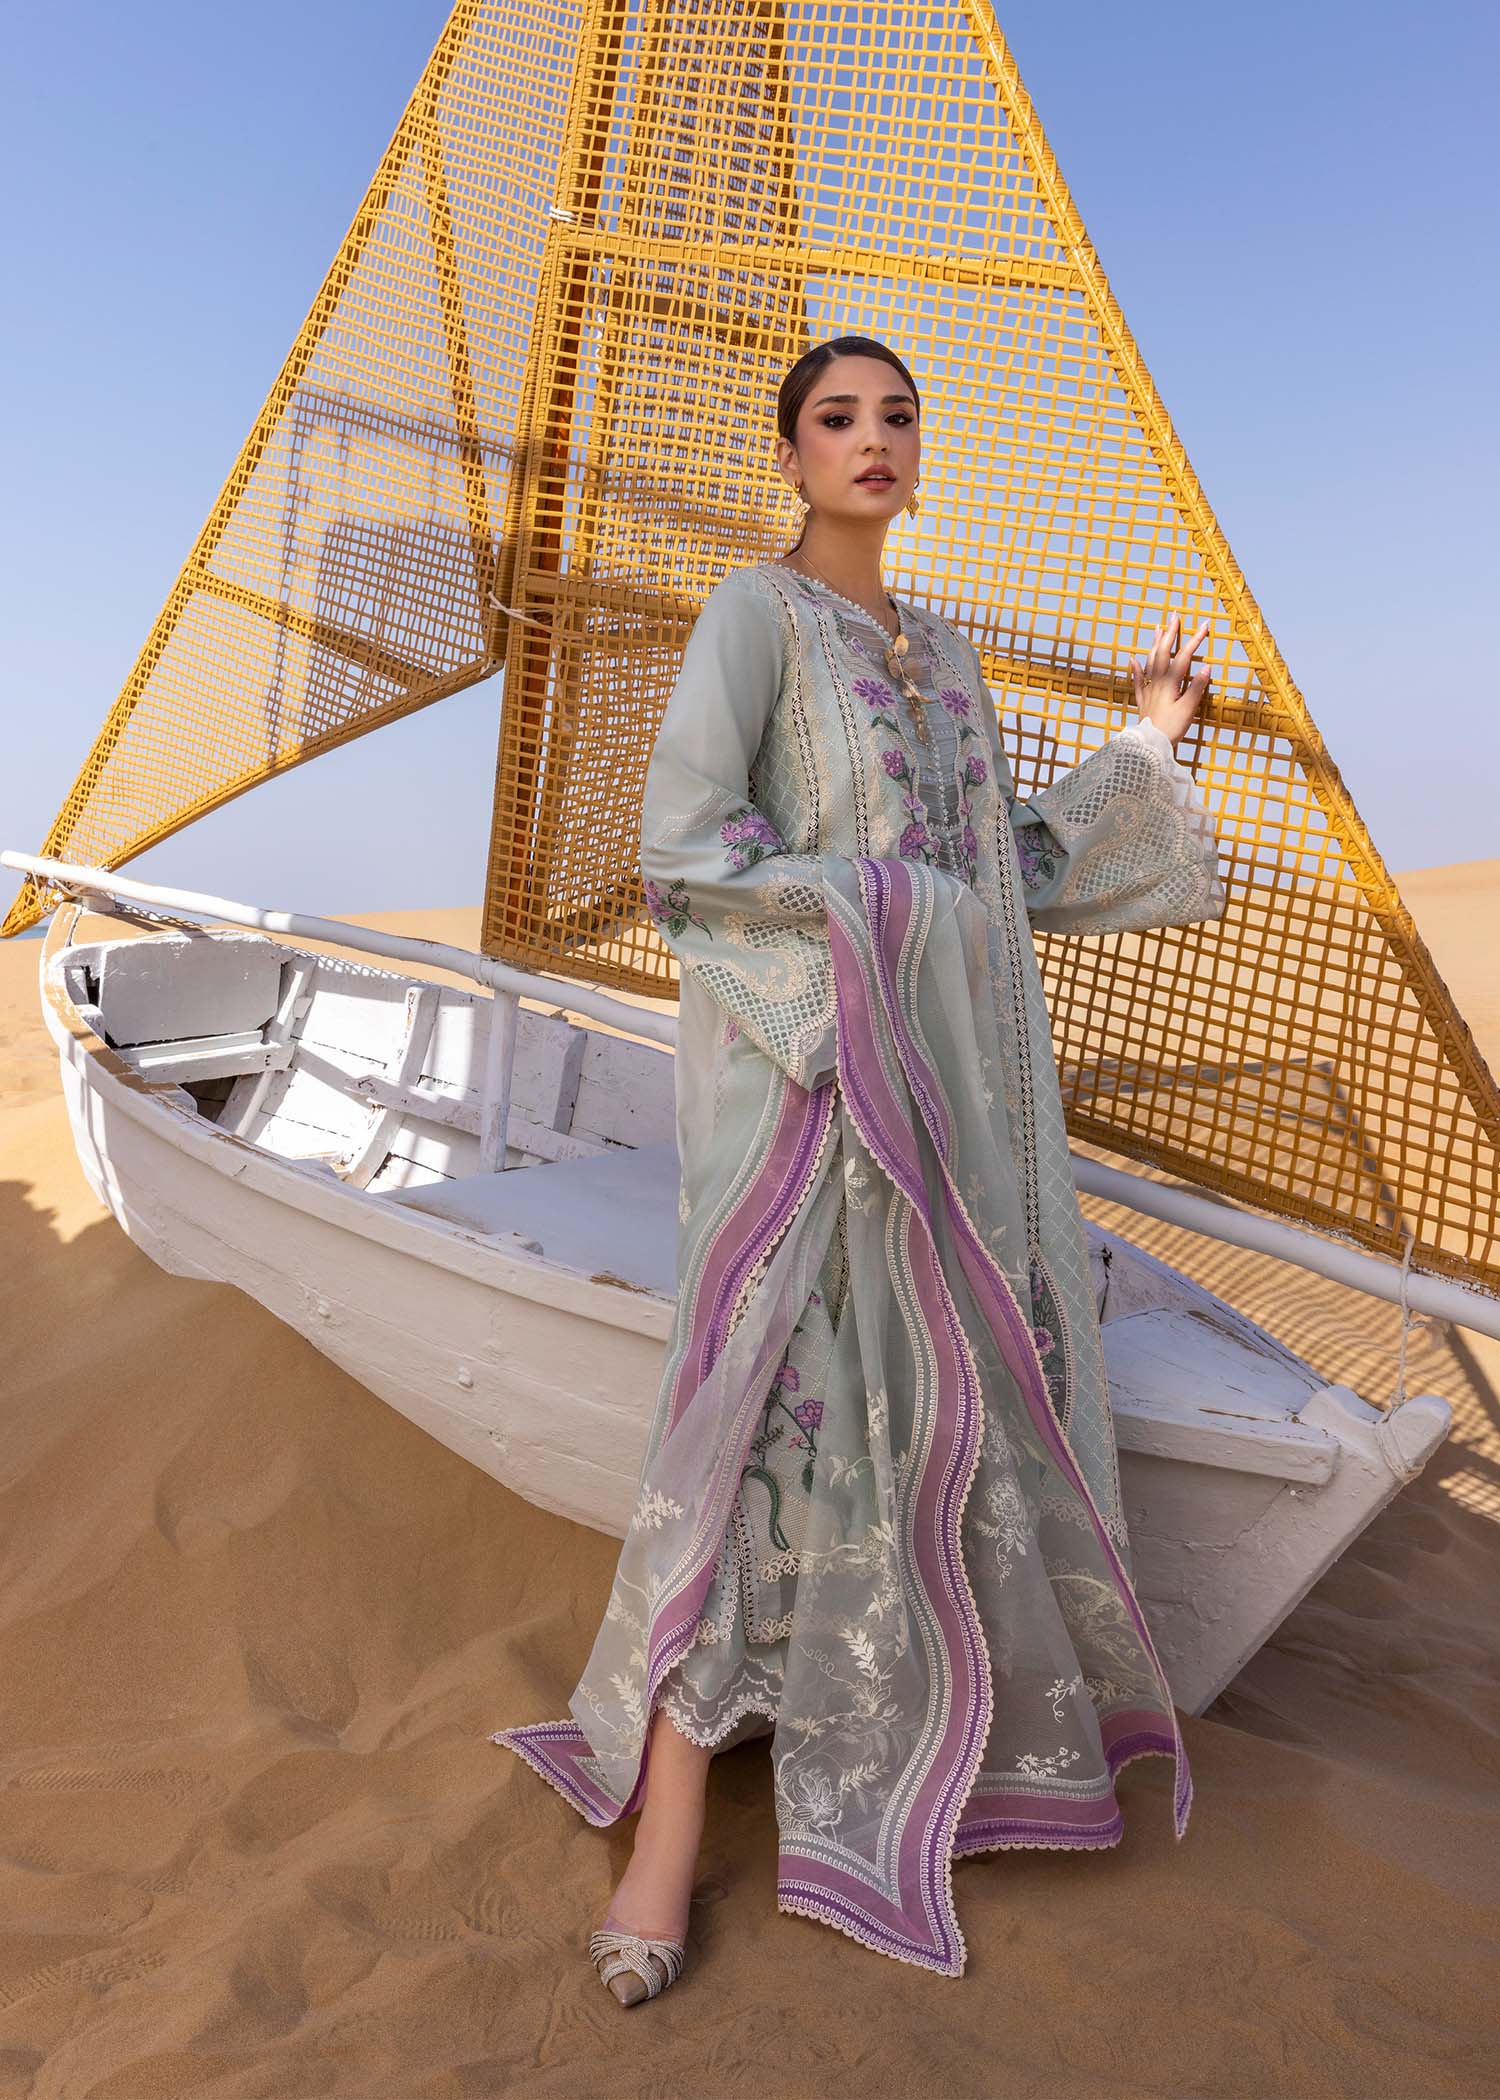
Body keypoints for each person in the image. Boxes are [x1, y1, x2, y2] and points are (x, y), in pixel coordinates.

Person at [491, 333, 1224, 2003]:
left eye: (897, 417)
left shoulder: (946, 657)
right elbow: (691, 851)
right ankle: (671, 1820)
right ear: (793, 454)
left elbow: (1000, 864)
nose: (873, 440)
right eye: (839, 418)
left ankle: (903, 1724)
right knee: (766, 1418)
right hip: (811, 1083)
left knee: (915, 1420)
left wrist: (1144, 750)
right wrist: (879, 921)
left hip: (949, 1109)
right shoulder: (756, 618)